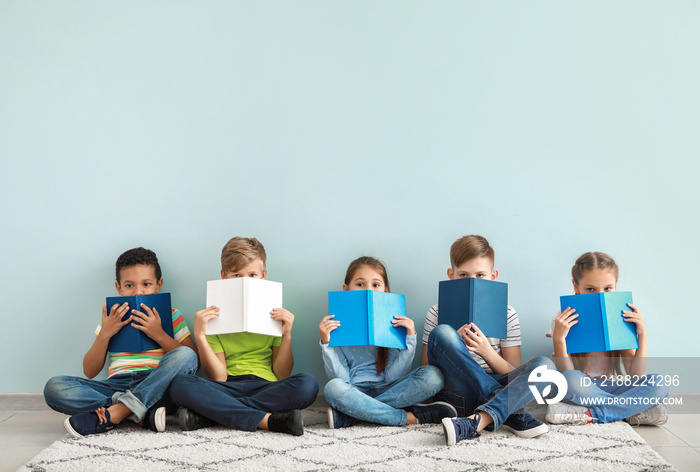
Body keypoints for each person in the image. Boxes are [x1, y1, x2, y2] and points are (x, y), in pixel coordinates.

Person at [169, 237, 319, 436]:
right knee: (179, 384)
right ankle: (269, 421)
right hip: (227, 386)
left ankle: (210, 415)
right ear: (224, 275)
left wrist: (287, 335)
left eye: (252, 275)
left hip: (266, 386)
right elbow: (219, 377)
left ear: (263, 275)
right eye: (236, 275)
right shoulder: (213, 318)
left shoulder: (274, 313)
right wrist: (200, 335)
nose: (244, 281)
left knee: (308, 384)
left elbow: (282, 374)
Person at [43, 247, 199, 437]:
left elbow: (193, 360)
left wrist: (159, 334)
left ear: (159, 285)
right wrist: (105, 334)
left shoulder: (172, 314)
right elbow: (89, 371)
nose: (137, 292)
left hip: (156, 383)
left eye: (146, 284)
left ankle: (118, 412)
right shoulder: (111, 319)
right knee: (55, 388)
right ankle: (139, 412)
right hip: (116, 385)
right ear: (119, 287)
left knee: (186, 354)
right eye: (129, 285)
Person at [421, 235, 553, 445]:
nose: (472, 281)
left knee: (546, 367)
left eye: (480, 275)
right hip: (457, 393)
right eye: (463, 275)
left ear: (493, 276)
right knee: (443, 332)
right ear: (451, 275)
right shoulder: (436, 312)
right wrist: (453, 349)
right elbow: (426, 368)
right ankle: (510, 410)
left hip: (494, 382)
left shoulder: (507, 314)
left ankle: (478, 421)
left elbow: (512, 371)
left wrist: (487, 352)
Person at [320, 256, 456, 429]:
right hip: (354, 391)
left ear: (385, 290)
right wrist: (326, 343)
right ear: (346, 289)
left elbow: (395, 376)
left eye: (376, 285)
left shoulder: (393, 320)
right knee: (333, 388)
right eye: (360, 284)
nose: (368, 290)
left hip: (391, 388)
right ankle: (407, 417)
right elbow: (341, 378)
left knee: (434, 375)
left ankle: (355, 415)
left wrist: (410, 337)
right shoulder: (337, 324)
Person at [545, 251, 669, 425]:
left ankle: (592, 415)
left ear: (615, 285)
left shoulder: (621, 317)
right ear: (576, 286)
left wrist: (642, 335)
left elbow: (635, 374)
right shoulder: (563, 318)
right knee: (572, 380)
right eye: (590, 289)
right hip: (578, 389)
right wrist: (559, 340)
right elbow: (566, 374)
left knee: (659, 383)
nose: (600, 295)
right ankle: (630, 410)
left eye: (607, 288)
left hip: (608, 387)